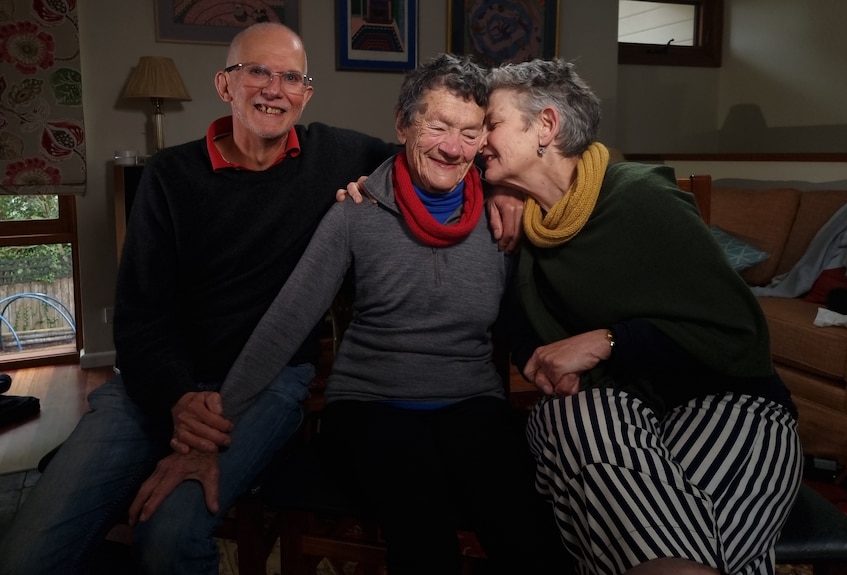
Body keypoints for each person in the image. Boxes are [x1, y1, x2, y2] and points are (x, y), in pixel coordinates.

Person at [0, 24, 520, 575]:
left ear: (306, 92)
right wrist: (176, 398)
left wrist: (504, 188)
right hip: (158, 385)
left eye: (291, 77)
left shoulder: (338, 155)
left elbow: (437, 152)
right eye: (258, 72)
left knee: (169, 536)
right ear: (226, 84)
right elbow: (140, 317)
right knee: (29, 553)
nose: (275, 88)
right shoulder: (169, 176)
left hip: (269, 381)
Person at [158, 52, 560, 575]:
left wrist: (557, 364)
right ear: (403, 124)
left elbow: (517, 318)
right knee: (424, 536)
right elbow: (286, 322)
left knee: (529, 533)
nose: (452, 147)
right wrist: (213, 427)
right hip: (372, 403)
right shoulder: (356, 211)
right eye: (438, 126)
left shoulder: (500, 213)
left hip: (470, 401)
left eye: (469, 131)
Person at [478, 58, 803, 575]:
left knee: (626, 524)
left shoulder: (641, 199)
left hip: (725, 404)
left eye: (490, 123)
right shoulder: (520, 224)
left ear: (546, 125)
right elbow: (524, 335)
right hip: (609, 415)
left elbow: (736, 333)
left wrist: (608, 341)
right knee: (576, 417)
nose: (477, 138)